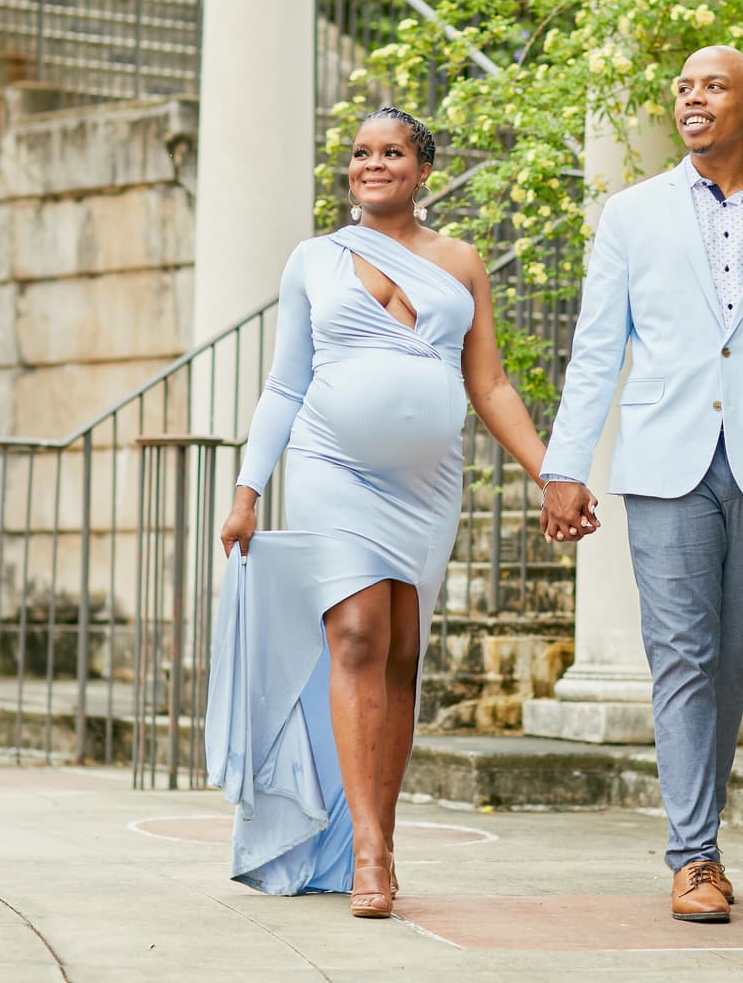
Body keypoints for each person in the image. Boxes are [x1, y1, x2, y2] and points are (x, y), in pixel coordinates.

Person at [207, 106, 595, 917]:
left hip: (425, 489)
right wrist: (248, 491)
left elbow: (487, 384)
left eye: (391, 152)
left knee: (402, 655)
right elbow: (285, 384)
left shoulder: (460, 261)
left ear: (422, 170)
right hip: (329, 467)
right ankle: (371, 856)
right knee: (355, 633)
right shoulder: (314, 260)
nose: (371, 164)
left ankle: (376, 826)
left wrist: (553, 474)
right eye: (359, 153)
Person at [539, 45, 743, 923]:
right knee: (682, 653)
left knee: (732, 663)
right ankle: (696, 857)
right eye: (684, 87)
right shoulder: (631, 215)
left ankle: (700, 835)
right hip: (665, 462)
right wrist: (565, 468)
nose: (694, 97)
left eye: (714, 87)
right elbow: (597, 349)